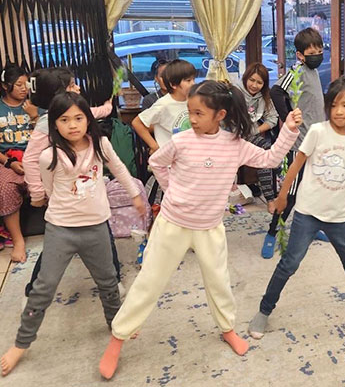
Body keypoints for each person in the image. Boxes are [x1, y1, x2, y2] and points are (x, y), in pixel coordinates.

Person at [98, 80, 302, 379]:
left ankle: (227, 329)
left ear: (220, 115)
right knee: (149, 282)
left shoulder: (234, 144)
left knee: (219, 283)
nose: (192, 119)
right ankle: (118, 338)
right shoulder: (181, 141)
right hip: (173, 224)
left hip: (209, 228)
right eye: (190, 111)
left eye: (198, 113)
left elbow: (270, 159)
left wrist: (289, 130)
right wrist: (171, 189)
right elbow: (156, 161)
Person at [0, 92, 144, 376]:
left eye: (79, 118)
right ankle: (21, 343)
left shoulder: (100, 145)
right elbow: (50, 190)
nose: (73, 125)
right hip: (61, 229)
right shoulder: (48, 156)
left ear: (88, 119)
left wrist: (135, 195)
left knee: (108, 281)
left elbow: (119, 169)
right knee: (43, 287)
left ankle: (115, 323)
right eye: (64, 120)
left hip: (96, 226)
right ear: (54, 124)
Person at [248, 78, 345, 340]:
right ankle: (264, 310)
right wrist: (282, 196)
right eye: (334, 105)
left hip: (338, 215)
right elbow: (296, 165)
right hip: (308, 211)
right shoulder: (318, 132)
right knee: (289, 263)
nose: (339, 111)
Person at [22, 67, 121, 298]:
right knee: (55, 247)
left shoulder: (78, 114)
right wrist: (38, 193)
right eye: (73, 85)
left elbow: (99, 111)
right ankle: (34, 290)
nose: (78, 88)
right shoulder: (46, 124)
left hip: (90, 197)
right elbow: (30, 160)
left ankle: (114, 281)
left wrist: (109, 105)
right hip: (64, 197)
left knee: (104, 235)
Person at [262, 27, 326, 258]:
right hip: (300, 144)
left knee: (315, 190)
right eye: (312, 52)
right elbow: (276, 91)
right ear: (300, 55)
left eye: (320, 51)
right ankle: (272, 233)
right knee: (290, 194)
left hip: (317, 141)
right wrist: (289, 118)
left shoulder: (313, 71)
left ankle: (312, 229)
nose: (317, 56)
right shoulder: (297, 70)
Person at [0, 64, 37, 262]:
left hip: (35, 158)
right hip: (6, 161)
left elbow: (47, 135)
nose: (24, 89)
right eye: (19, 84)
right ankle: (18, 240)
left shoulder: (35, 106)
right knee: (4, 185)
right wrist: (9, 162)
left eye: (26, 84)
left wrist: (35, 116)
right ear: (5, 85)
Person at [131, 59, 196, 153]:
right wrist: (154, 146)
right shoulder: (163, 104)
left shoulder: (193, 100)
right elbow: (137, 123)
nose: (193, 83)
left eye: (193, 79)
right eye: (188, 80)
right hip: (170, 157)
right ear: (173, 84)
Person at [239, 62, 279, 212]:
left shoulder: (264, 97)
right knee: (266, 149)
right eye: (252, 80)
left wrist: (256, 130)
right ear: (245, 78)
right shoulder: (235, 92)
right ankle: (270, 197)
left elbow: (273, 118)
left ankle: (270, 199)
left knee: (265, 150)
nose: (254, 85)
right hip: (232, 136)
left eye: (259, 82)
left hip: (249, 136)